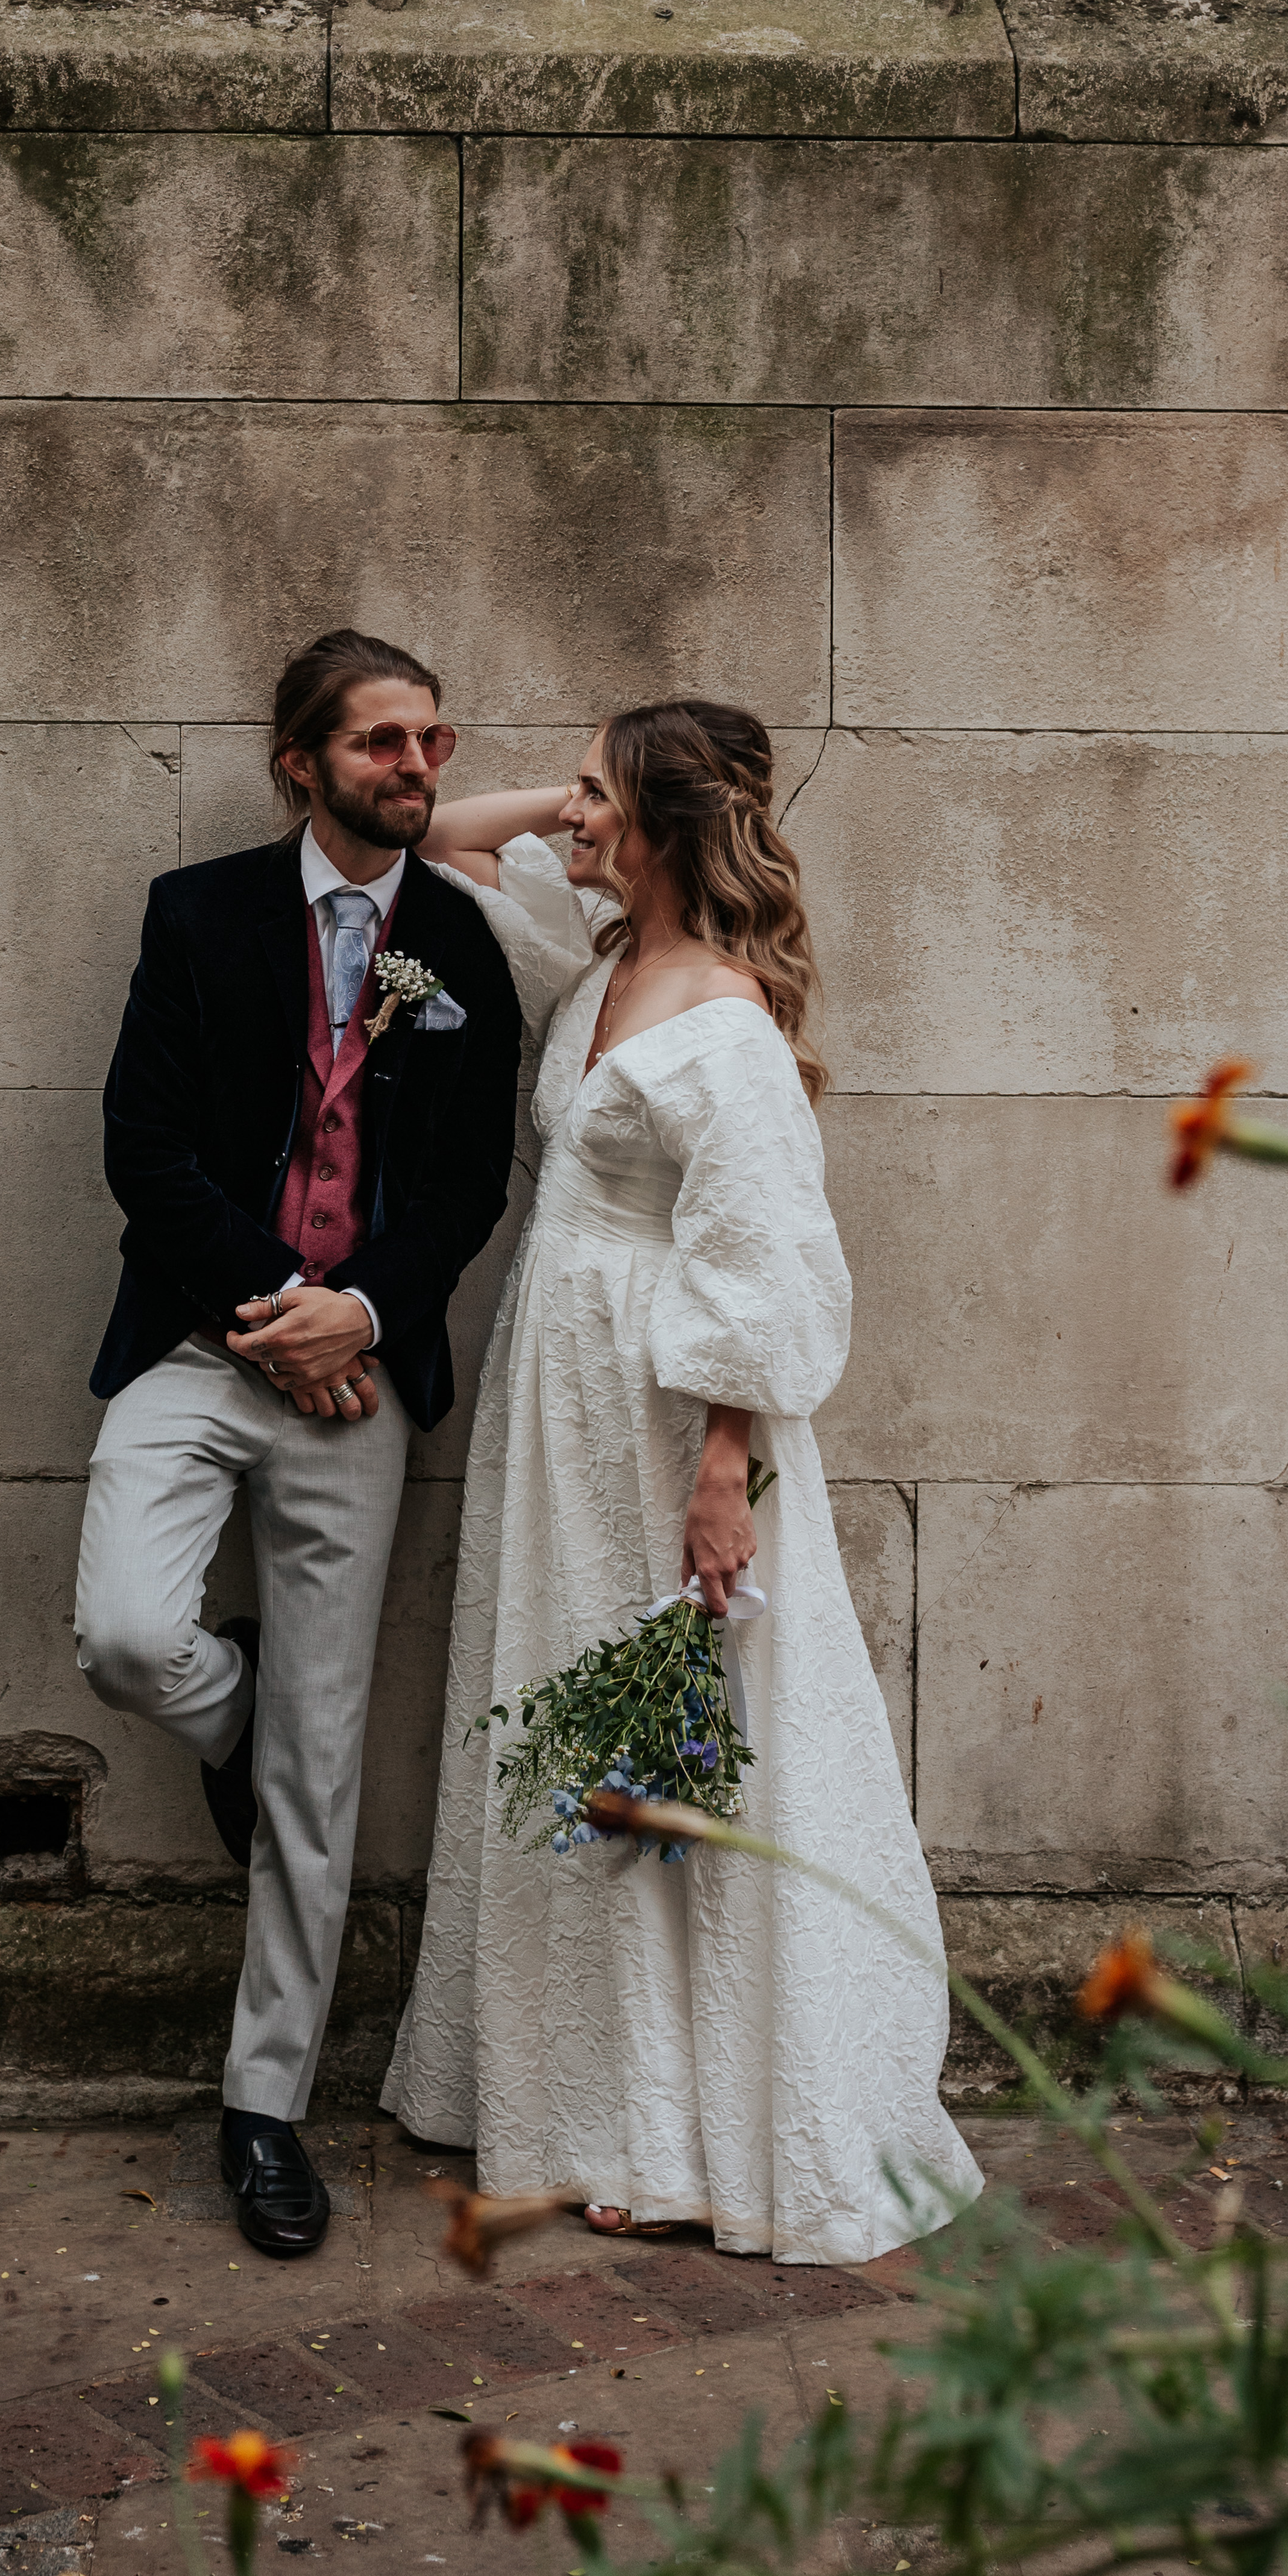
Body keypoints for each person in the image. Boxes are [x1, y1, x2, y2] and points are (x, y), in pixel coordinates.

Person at [383, 699, 979, 2263]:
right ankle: (586, 2099)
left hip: (663, 1418)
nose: (564, 812)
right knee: (568, 1706)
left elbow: (768, 1263)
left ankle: (685, 2115)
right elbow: (430, 843)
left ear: (663, 821)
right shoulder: (590, 970)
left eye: (596, 791)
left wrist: (725, 1477)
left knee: (668, 1727)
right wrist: (582, 811)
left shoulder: (719, 1018)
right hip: (557, 1409)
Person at [77, 631, 523, 2260]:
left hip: (362, 1382)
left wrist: (369, 1312)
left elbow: (467, 1184)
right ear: (302, 761)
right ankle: (229, 1700)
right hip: (203, 1347)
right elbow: (143, 1143)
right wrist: (282, 1305)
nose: (417, 766)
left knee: (322, 1779)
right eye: (383, 742)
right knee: (128, 1632)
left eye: (430, 741)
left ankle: (264, 2108)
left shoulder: (467, 942)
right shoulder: (197, 915)